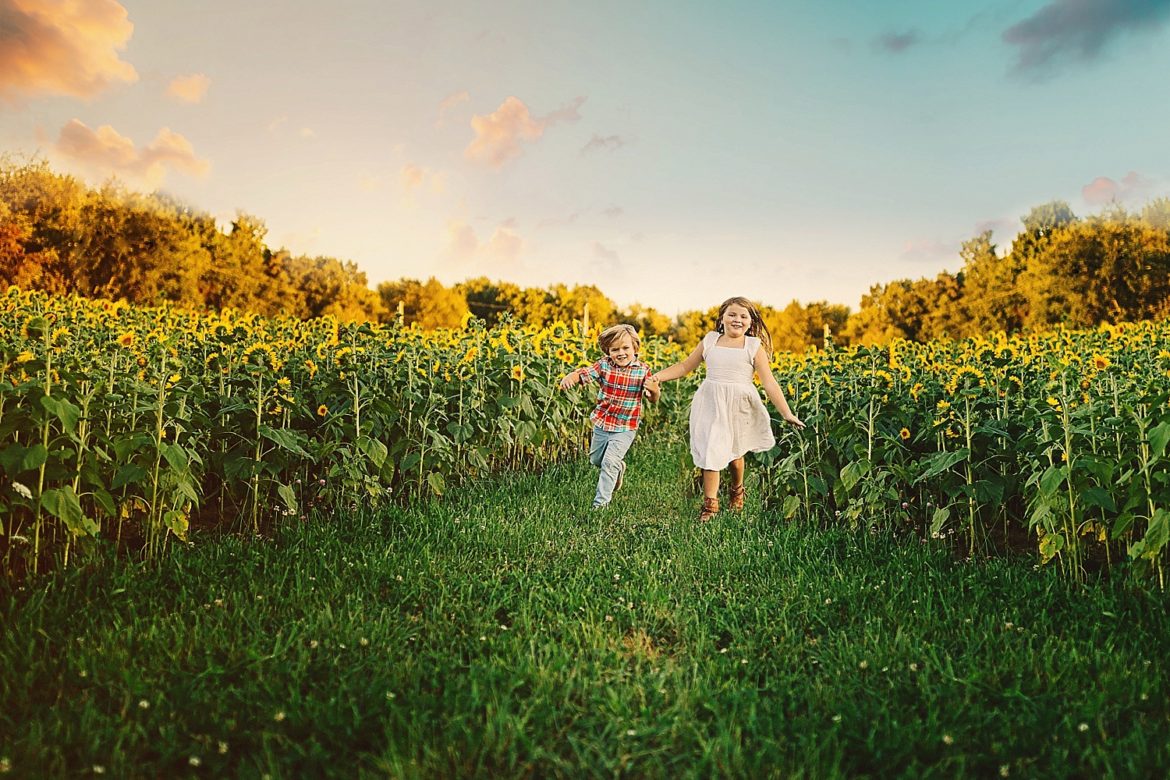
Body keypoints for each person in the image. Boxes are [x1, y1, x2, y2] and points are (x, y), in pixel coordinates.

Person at [651, 296, 804, 521]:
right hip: (711, 403)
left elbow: (769, 382)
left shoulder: (753, 346)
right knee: (713, 449)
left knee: (735, 454)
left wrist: (786, 413)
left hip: (740, 406)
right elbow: (685, 366)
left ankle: (737, 488)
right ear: (722, 318)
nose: (737, 319)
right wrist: (657, 377)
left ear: (751, 323)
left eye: (743, 316)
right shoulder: (711, 341)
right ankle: (710, 506)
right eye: (732, 314)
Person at [559, 324, 661, 510]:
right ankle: (618, 468)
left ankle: (600, 505)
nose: (620, 353)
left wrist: (654, 391)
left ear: (635, 348)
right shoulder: (604, 365)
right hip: (603, 422)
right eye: (615, 349)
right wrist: (571, 377)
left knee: (608, 461)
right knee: (596, 460)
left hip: (626, 426)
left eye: (625, 348)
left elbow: (652, 398)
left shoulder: (643, 370)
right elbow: (585, 373)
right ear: (608, 351)